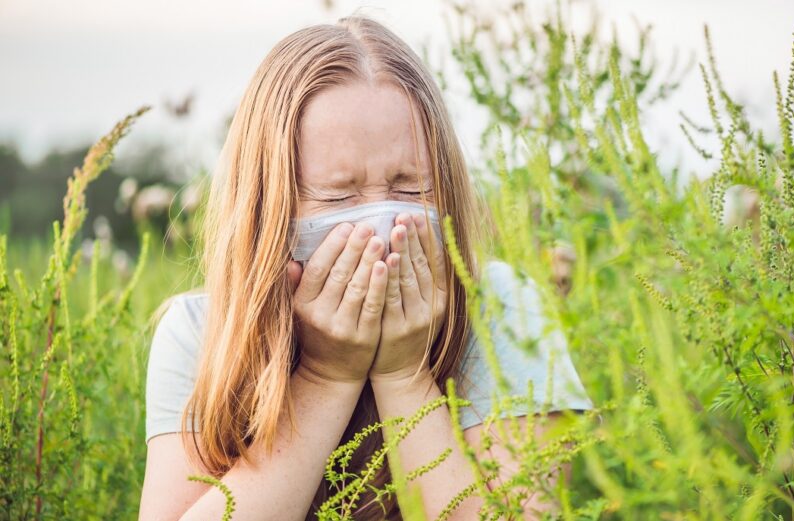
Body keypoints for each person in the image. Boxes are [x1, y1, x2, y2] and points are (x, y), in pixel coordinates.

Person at [138, 14, 594, 520]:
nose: (385, 225)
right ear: (270, 212)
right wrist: (326, 377)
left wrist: (404, 374)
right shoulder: (202, 333)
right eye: (338, 195)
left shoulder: (505, 309)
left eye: (409, 187)